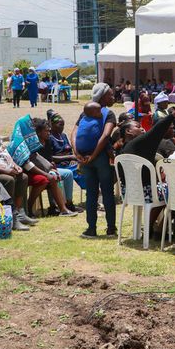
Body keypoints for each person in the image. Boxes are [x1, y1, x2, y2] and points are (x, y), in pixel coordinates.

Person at [118, 109, 175, 230]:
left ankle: (157, 226)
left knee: (164, 189)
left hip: (128, 192)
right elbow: (156, 131)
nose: (143, 128)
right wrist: (172, 116)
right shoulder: (138, 143)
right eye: (138, 127)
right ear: (128, 131)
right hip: (146, 192)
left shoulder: (124, 148)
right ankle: (154, 227)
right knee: (174, 191)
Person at [72, 83, 118, 238]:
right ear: (102, 97)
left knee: (91, 194)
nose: (113, 97)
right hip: (101, 158)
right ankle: (111, 229)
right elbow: (105, 136)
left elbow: (74, 132)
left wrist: (77, 153)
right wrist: (95, 155)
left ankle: (91, 229)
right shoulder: (108, 114)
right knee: (107, 193)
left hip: (85, 158)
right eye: (110, 94)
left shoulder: (85, 112)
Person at [31, 118, 77, 216]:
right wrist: (50, 168)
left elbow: (49, 157)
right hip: (39, 170)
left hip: (49, 168)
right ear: (39, 132)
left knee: (68, 173)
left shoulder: (47, 141)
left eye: (49, 130)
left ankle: (69, 203)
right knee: (53, 176)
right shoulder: (34, 144)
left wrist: (52, 165)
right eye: (46, 131)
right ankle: (54, 206)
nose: (49, 133)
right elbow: (35, 161)